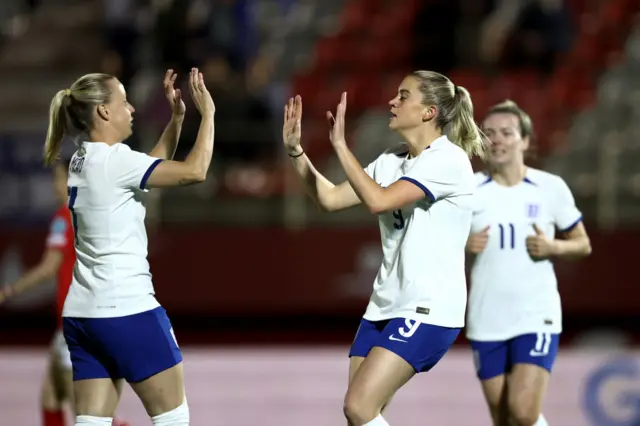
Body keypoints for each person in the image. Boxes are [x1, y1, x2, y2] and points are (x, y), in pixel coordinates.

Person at [283, 71, 486, 426]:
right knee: (361, 417)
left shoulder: (447, 160)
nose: (392, 102)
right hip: (383, 305)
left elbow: (378, 201)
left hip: (428, 308)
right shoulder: (392, 160)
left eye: (403, 96)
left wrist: (341, 147)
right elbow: (329, 199)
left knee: (358, 407)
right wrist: (297, 153)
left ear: (428, 112)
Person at [42, 67, 215, 426]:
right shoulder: (115, 161)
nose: (132, 108)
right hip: (128, 310)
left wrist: (177, 119)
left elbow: (145, 170)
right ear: (104, 111)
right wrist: (209, 115)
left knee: (91, 422)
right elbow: (195, 170)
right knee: (173, 419)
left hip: (83, 315)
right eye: (124, 101)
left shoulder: (82, 159)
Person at [465, 100, 592, 426]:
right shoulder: (469, 191)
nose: (497, 140)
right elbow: (439, 242)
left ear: (524, 141)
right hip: (486, 316)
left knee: (523, 411)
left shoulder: (550, 188)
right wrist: (463, 243)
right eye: (489, 133)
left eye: (507, 132)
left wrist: (552, 247)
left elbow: (583, 244)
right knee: (504, 417)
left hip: (536, 315)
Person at [0, 160, 131, 426]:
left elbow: (50, 267)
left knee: (83, 409)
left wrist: (9, 290)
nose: (54, 187)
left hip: (75, 320)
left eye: (59, 180)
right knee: (51, 395)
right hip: (94, 317)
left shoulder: (64, 216)